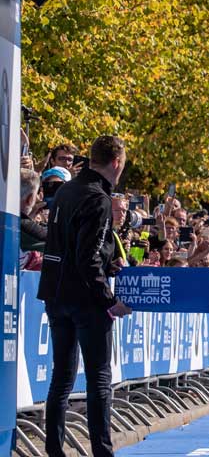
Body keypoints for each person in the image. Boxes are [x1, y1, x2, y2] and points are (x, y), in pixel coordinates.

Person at [37, 135, 133, 457]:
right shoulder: (98, 199)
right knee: (98, 379)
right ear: (116, 163)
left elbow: (71, 245)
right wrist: (109, 300)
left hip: (56, 293)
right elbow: (86, 258)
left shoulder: (66, 190)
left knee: (61, 377)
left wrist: (109, 261)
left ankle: (54, 449)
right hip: (85, 299)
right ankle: (102, 452)